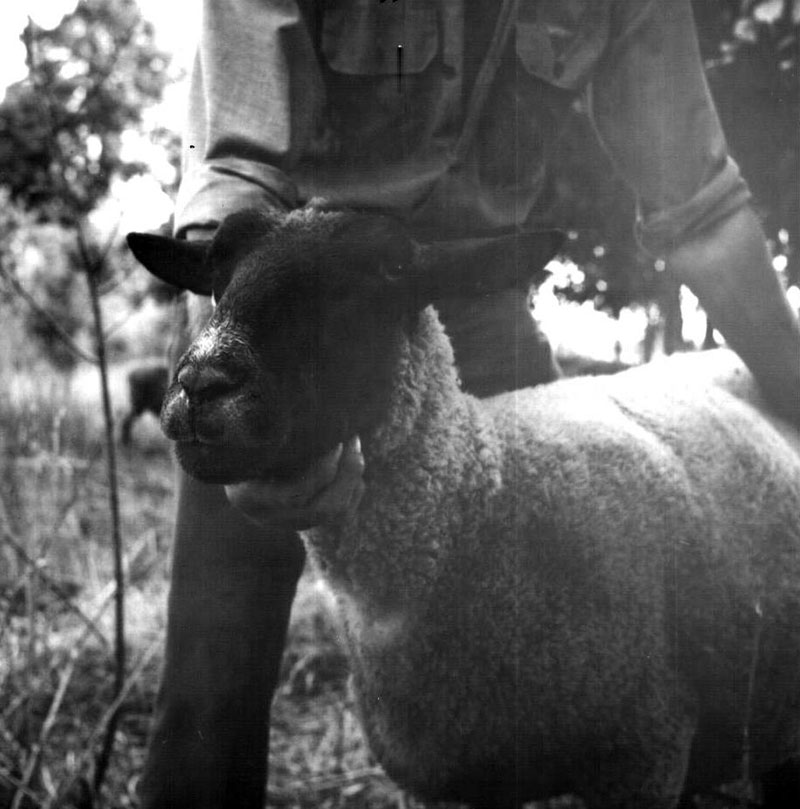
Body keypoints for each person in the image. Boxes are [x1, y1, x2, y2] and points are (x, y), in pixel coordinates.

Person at [139, 2, 800, 807]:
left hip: (473, 311)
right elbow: (233, 168)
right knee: (206, 709)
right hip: (275, 311)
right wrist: (233, 370)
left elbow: (699, 206)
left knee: (586, 669)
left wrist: (795, 396)